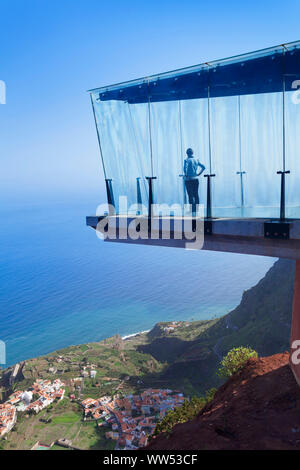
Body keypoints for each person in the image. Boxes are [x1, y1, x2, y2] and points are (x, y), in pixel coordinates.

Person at [183, 148, 205, 215]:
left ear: (187, 153)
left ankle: (192, 210)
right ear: (193, 153)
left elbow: (185, 169)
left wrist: (186, 175)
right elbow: (203, 167)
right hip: (195, 179)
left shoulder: (186, 160)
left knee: (190, 195)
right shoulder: (196, 159)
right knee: (196, 194)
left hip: (189, 180)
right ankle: (197, 209)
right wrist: (198, 173)